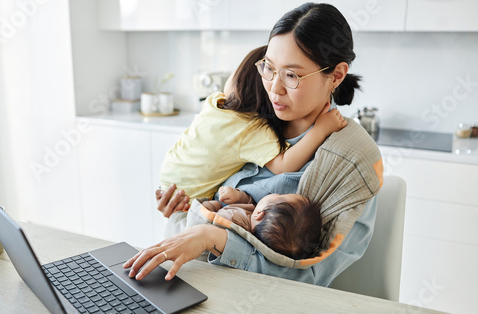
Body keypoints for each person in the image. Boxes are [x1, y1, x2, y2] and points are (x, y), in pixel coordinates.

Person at [124, 3, 377, 286]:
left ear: (337, 75)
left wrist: (214, 238)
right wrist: (181, 209)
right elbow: (197, 220)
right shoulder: (248, 120)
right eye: (269, 68)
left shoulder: (351, 160)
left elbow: (309, 276)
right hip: (192, 283)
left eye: (292, 75)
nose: (274, 88)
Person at [159, 45, 346, 201]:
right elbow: (284, 166)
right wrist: (320, 130)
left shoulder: (215, 102)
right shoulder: (252, 129)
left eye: (291, 75)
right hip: (188, 197)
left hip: (168, 177)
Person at [201, 186, 322, 259]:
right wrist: (239, 196)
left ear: (260, 213)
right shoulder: (256, 222)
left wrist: (211, 205)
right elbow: (251, 204)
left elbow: (204, 219)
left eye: (279, 195)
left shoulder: (228, 219)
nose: (275, 193)